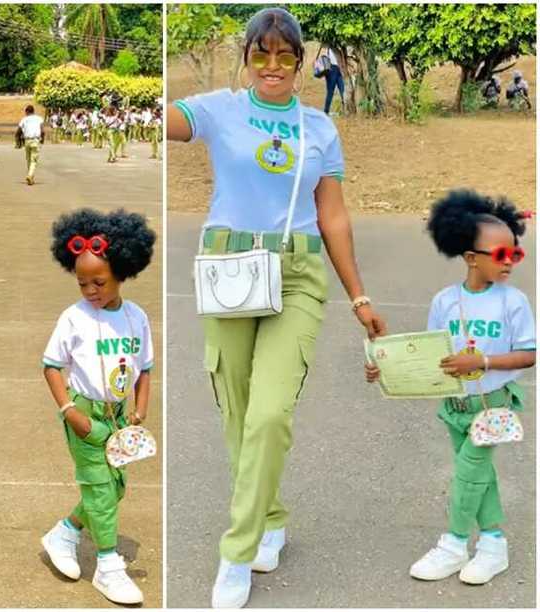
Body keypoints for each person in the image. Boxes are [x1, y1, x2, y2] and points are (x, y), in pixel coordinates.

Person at [166, 7, 387, 608]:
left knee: (268, 413)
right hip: (229, 269)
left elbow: (334, 215)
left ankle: (236, 553)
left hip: (297, 274)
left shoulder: (319, 127)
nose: (272, 65)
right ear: (246, 59)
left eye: (285, 55)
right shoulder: (219, 109)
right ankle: (272, 515)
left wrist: (359, 295)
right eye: (260, 54)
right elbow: (164, 122)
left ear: (300, 62)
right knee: (237, 413)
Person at [363, 191, 534, 587]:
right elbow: (427, 355)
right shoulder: (445, 301)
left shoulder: (514, 302)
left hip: (493, 405)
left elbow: (529, 354)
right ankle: (493, 545)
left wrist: (485, 362)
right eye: (500, 254)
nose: (509, 262)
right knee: (480, 477)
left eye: (515, 254)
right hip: (454, 405)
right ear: (471, 257)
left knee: (468, 474)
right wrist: (383, 369)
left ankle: (454, 543)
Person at [40, 209, 156, 606]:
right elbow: (52, 365)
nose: (90, 290)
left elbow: (146, 370)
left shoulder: (136, 317)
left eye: (99, 282)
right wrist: (70, 412)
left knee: (115, 487)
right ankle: (108, 566)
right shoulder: (73, 319)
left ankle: (66, 532)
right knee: (101, 491)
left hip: (121, 416)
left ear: (123, 271)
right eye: (82, 282)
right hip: (85, 416)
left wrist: (140, 411)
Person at [18, 104, 44, 185]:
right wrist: (42, 139)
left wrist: (18, 140)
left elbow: (18, 130)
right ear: (33, 111)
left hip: (27, 141)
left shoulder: (24, 119)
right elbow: (42, 131)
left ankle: (31, 177)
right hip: (35, 141)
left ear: (27, 112)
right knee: (34, 160)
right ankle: (30, 175)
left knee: (28, 159)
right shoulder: (39, 119)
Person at [321, 46, 344, 114]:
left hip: (340, 69)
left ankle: (346, 109)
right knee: (330, 92)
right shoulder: (331, 46)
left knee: (343, 90)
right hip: (332, 69)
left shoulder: (339, 46)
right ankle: (326, 111)